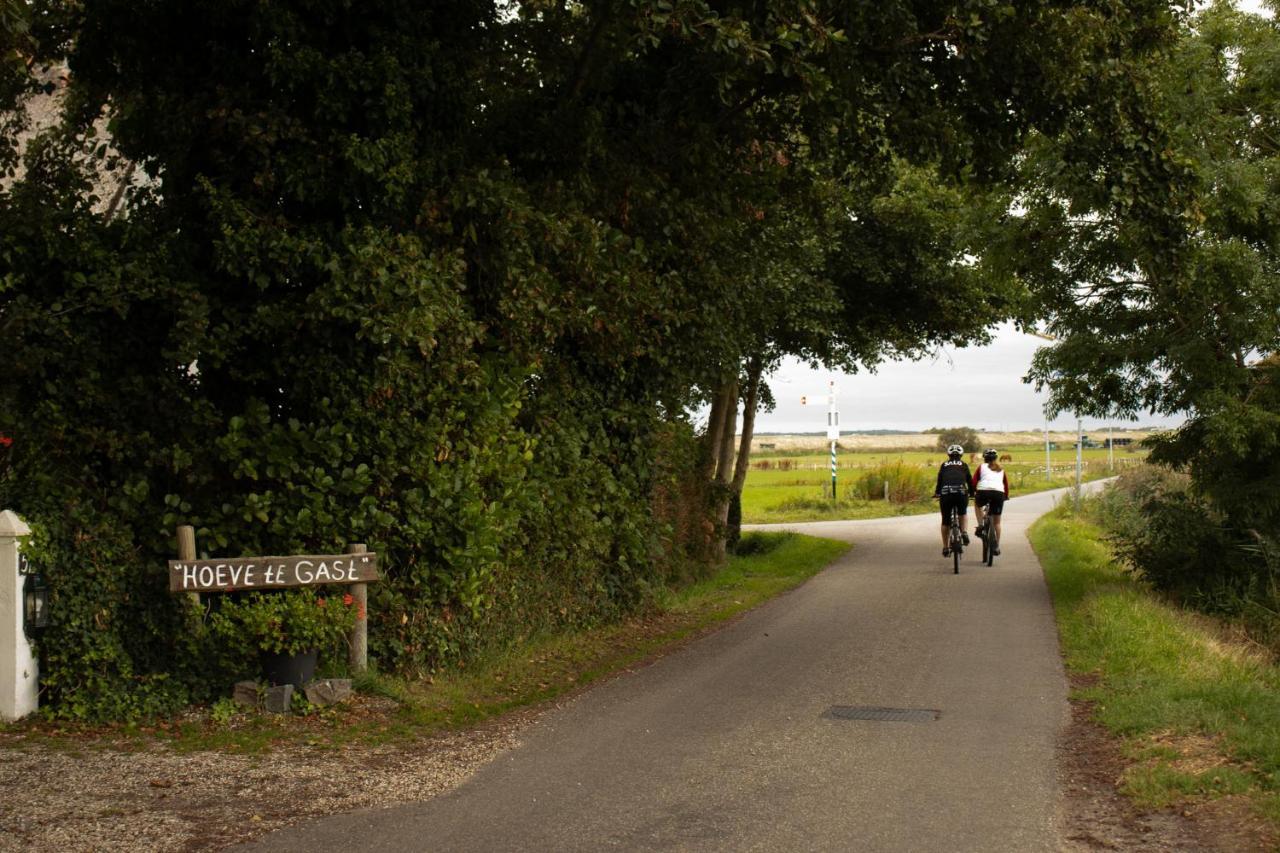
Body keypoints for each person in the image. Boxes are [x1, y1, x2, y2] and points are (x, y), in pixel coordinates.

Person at [933, 444, 973, 557]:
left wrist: (937, 493)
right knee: (963, 513)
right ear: (961, 455)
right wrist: (972, 493)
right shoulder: (964, 464)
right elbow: (969, 480)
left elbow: (940, 480)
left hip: (946, 493)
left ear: (949, 455)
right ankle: (964, 532)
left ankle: (945, 547)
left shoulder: (944, 465)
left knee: (945, 521)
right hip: (961, 492)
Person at [972, 449, 1010, 555]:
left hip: (983, 492)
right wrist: (1005, 496)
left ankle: (980, 525)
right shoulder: (1001, 469)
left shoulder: (981, 467)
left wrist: (974, 492)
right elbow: (1005, 485)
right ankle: (997, 546)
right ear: (996, 458)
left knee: (977, 504)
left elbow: (974, 482)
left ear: (984, 458)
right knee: (997, 522)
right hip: (998, 494)